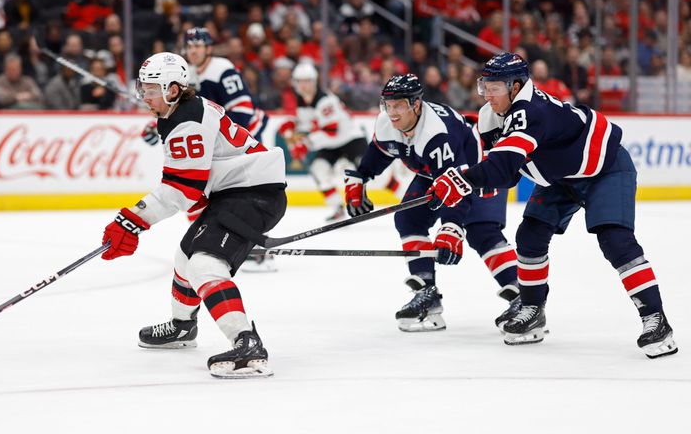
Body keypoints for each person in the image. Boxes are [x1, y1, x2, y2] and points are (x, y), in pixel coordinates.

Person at [424, 53, 677, 359]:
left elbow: (502, 169)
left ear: (516, 86)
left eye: (495, 87)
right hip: (560, 177)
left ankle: (656, 318)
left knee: (616, 241)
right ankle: (532, 309)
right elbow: (501, 174)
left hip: (605, 167)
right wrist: (460, 189)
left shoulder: (531, 110)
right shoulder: (492, 117)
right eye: (485, 86)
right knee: (530, 236)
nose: (487, 94)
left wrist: (461, 179)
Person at [101, 52, 287, 378]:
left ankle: (247, 343)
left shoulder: (187, 120)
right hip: (237, 191)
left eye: (150, 88)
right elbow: (193, 188)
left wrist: (131, 220)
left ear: (173, 89)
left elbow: (182, 190)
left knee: (205, 264)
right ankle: (183, 326)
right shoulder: (180, 112)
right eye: (142, 87)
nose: (143, 95)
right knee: (186, 257)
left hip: (253, 194)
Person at [345, 74, 518, 332]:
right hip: (436, 174)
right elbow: (381, 151)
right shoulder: (386, 122)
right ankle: (428, 294)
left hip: (477, 169)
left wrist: (451, 227)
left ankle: (523, 298)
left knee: (482, 231)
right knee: (408, 219)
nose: (392, 112)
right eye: (388, 105)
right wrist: (361, 177)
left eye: (399, 105)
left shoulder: (436, 134)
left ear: (416, 104)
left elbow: (455, 188)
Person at [143, 26, 274, 271]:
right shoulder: (186, 73)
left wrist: (220, 137)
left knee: (239, 195)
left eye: (198, 46)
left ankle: (250, 246)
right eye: (189, 47)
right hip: (217, 136)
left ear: (208, 48)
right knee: (196, 192)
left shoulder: (222, 69)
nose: (192, 51)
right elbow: (182, 112)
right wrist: (156, 125)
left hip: (244, 134)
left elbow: (243, 109)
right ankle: (212, 240)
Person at [284, 61, 401, 221]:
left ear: (314, 81)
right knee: (319, 170)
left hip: (350, 139)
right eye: (300, 81)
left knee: (375, 175)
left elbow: (331, 131)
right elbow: (307, 122)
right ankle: (337, 207)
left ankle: (406, 196)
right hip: (330, 145)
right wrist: (291, 124)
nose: (304, 85)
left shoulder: (325, 100)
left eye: (307, 81)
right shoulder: (302, 100)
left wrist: (304, 145)